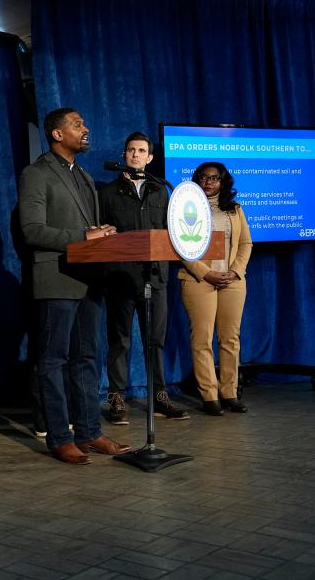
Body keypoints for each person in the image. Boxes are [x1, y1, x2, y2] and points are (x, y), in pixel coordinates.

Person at [18, 108, 131, 465]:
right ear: (56, 134)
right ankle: (60, 437)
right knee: (53, 360)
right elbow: (32, 230)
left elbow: (90, 228)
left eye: (84, 123)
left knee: (86, 358)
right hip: (56, 279)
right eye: (77, 125)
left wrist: (103, 233)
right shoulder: (36, 173)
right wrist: (85, 235)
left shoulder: (82, 174)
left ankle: (89, 432)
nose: (86, 129)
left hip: (88, 280)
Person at [99, 133, 189, 424]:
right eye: (131, 150)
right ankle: (116, 398)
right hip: (121, 279)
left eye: (141, 151)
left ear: (150, 158)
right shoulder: (108, 193)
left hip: (155, 277)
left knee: (155, 340)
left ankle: (160, 396)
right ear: (124, 154)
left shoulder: (161, 190)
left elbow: (170, 232)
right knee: (120, 341)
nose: (136, 155)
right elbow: (100, 234)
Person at [179, 162, 253, 415]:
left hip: (232, 281)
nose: (209, 182)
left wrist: (236, 271)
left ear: (223, 182)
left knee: (230, 339)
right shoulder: (184, 207)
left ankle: (229, 392)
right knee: (202, 339)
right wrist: (206, 273)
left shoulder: (234, 209)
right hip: (199, 281)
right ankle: (209, 396)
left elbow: (245, 243)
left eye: (214, 178)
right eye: (203, 177)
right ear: (196, 180)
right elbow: (180, 246)